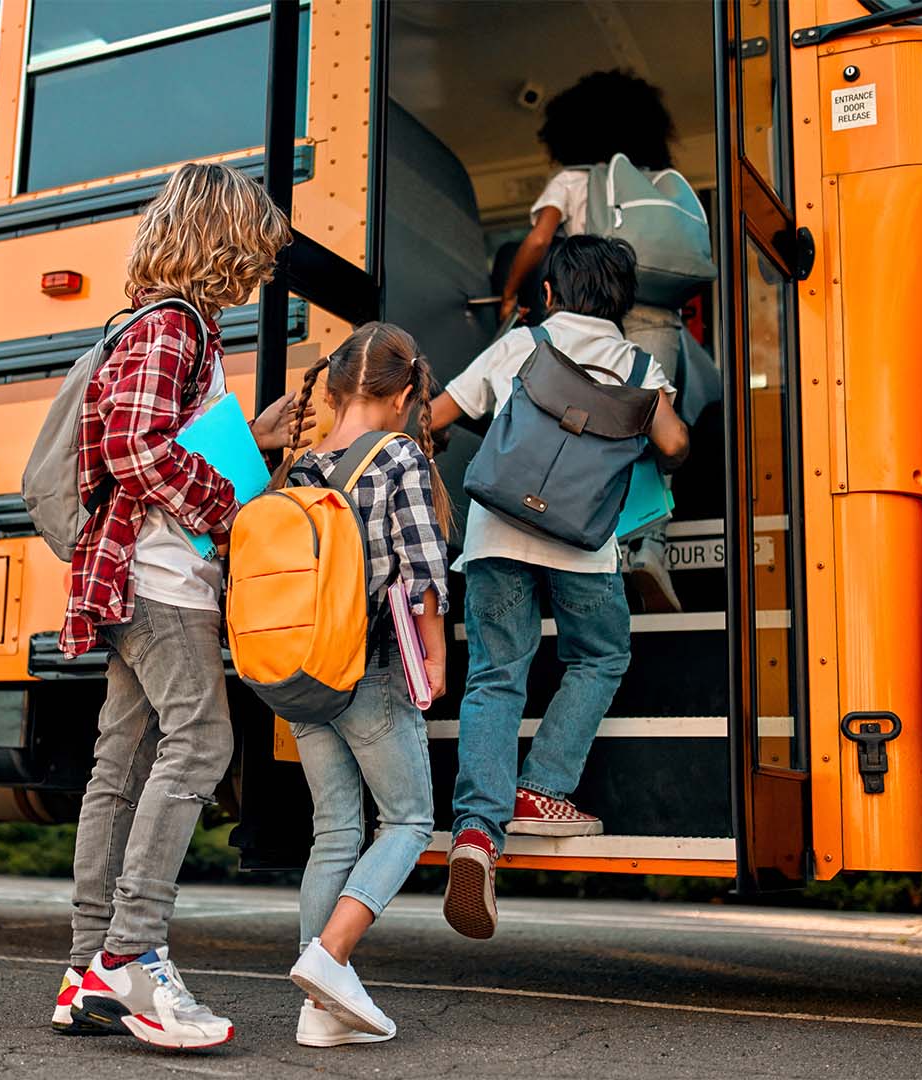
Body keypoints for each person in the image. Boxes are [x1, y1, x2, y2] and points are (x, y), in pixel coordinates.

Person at [54, 162, 299, 1051]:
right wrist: (235, 505)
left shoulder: (155, 324)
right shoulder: (174, 325)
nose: (262, 270)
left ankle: (89, 971)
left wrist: (252, 437)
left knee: (119, 767)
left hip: (130, 573)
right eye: (257, 251)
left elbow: (155, 436)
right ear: (223, 241)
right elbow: (133, 445)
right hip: (159, 580)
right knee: (203, 739)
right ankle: (134, 953)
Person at [428, 235, 689, 941]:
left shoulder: (523, 344)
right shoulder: (638, 362)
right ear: (622, 302)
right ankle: (542, 789)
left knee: (495, 677)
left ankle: (476, 835)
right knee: (600, 655)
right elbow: (672, 445)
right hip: (582, 544)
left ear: (549, 293)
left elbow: (437, 415)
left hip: (495, 538)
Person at [272, 322, 450, 1047]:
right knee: (407, 821)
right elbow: (422, 570)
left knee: (335, 831)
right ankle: (330, 955)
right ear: (404, 395)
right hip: (369, 668)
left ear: (337, 390)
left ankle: (320, 1014)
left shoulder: (302, 466)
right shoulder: (398, 455)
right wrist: (434, 659)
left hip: (300, 674)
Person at [495, 69, 717, 610]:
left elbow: (540, 239)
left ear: (570, 132)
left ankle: (599, 544)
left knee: (597, 431)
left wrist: (509, 294)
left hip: (595, 322)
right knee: (655, 424)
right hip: (659, 318)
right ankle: (652, 546)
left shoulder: (573, 180)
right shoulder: (661, 185)